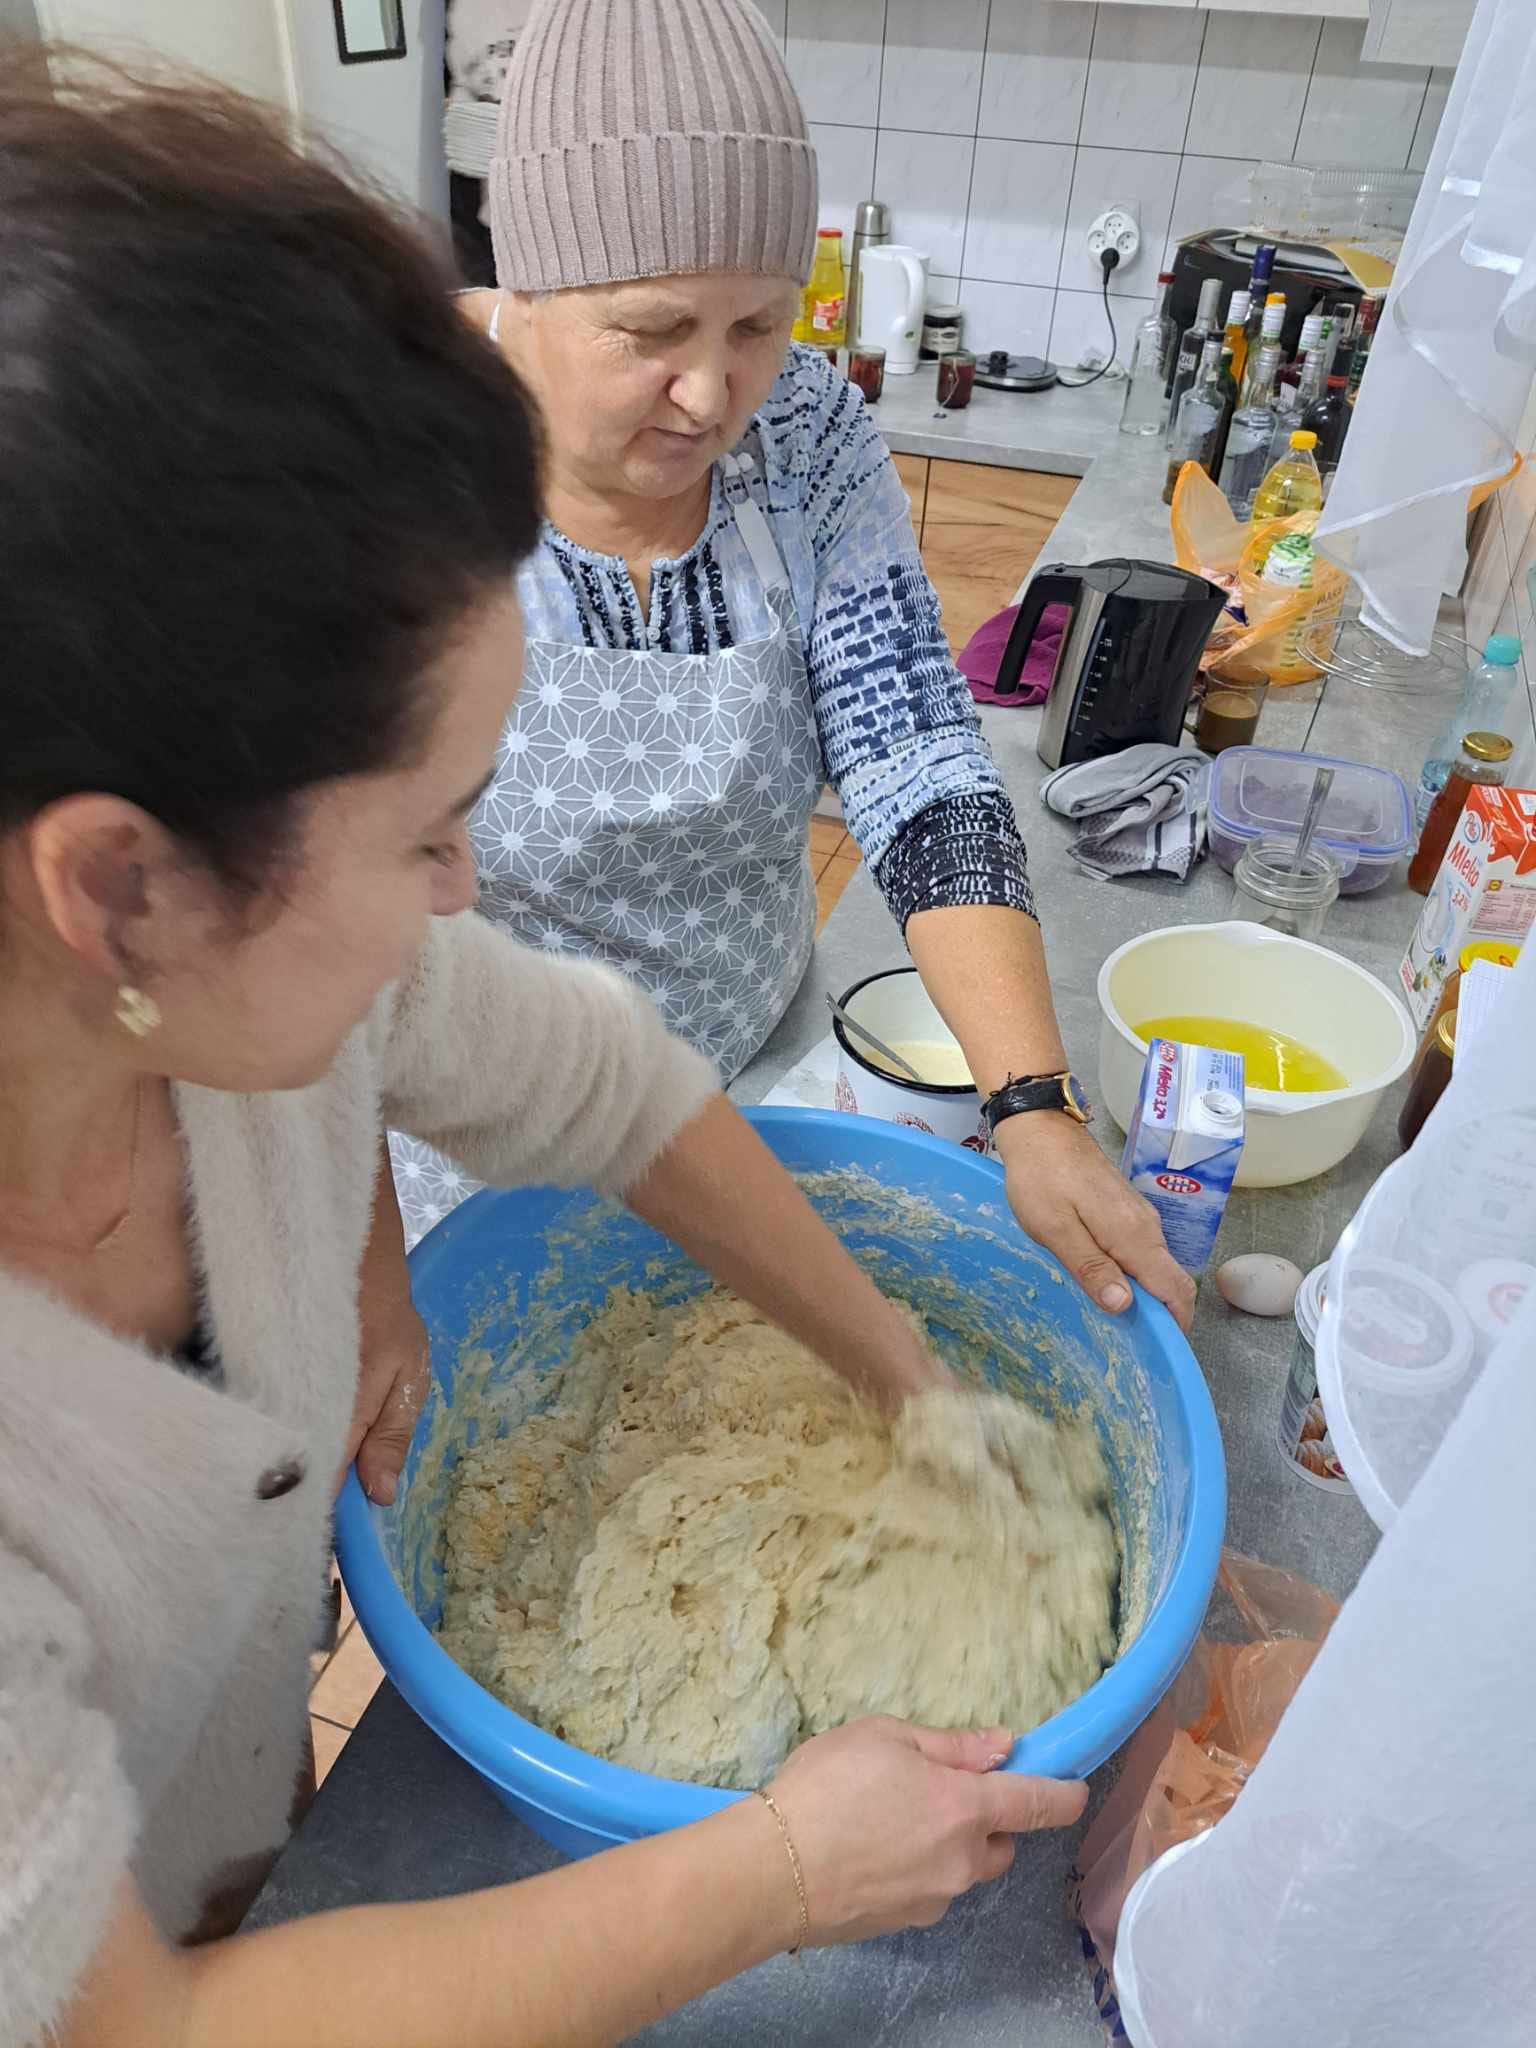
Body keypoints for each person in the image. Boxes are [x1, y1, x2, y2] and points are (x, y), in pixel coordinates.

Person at [0, 59, 1088, 2048]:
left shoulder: (257, 989)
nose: (468, 889)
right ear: (123, 887)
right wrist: (783, 1868)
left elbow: (615, 1083)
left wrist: (915, 1388)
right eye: (432, 829)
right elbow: (130, 2026)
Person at [383, 0, 1193, 1360]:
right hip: (472, 1138)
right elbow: (320, 920)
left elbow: (917, 757)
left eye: (758, 322)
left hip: (753, 1083)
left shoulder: (806, 432)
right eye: (652, 329)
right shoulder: (393, 454)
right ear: (527, 285)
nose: (713, 396)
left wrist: (1032, 1103)